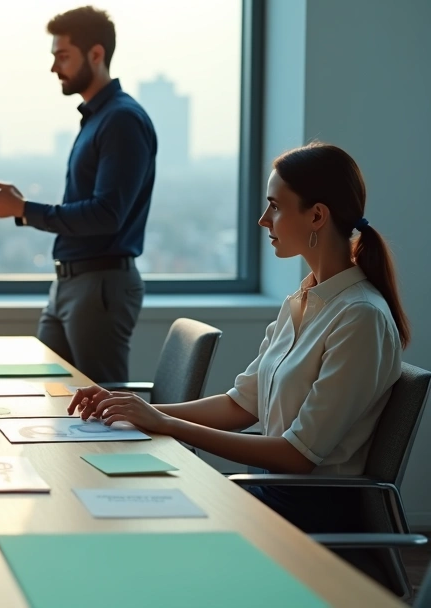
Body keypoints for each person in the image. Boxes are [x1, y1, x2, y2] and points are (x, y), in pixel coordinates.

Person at [68, 142, 409, 535]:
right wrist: (134, 409)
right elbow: (238, 406)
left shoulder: (360, 318)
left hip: (309, 512)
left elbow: (298, 456)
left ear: (316, 216)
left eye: (276, 206)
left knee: (141, 518)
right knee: (117, 503)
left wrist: (163, 421)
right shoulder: (302, 302)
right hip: (271, 492)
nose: (264, 220)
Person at [0, 6, 157, 384]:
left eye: (63, 56)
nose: (54, 67)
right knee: (50, 397)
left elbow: (106, 214)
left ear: (96, 54)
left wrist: (24, 208)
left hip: (99, 286)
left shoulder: (121, 120)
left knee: (100, 412)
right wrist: (22, 210)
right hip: (70, 283)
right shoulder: (97, 118)